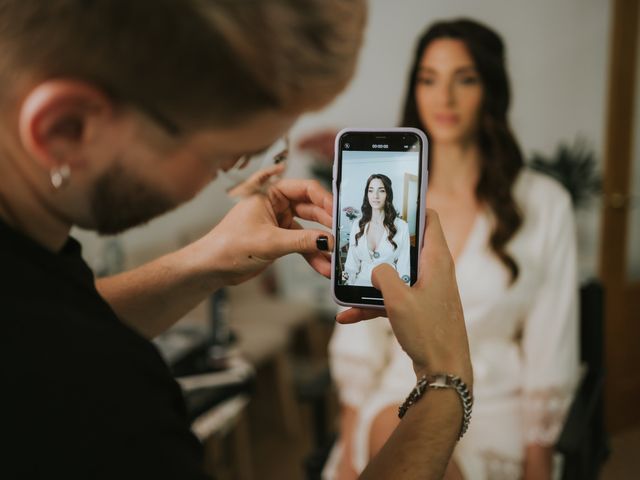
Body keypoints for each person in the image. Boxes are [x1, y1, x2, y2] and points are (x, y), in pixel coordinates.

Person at [0, 2, 473, 479]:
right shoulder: (107, 409)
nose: (234, 174)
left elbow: (70, 311)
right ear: (65, 128)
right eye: (225, 155)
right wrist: (444, 383)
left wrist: (205, 261)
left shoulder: (33, 263)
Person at [327, 19, 579, 480]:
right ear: (415, 89)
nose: (444, 97)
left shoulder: (544, 204)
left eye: (464, 79)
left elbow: (552, 340)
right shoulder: (388, 198)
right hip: (402, 388)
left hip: (498, 402)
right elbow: (358, 331)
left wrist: (540, 459)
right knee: (400, 441)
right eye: (429, 79)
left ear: (490, 90)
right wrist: (347, 444)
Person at [342, 174, 411, 286]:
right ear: (367, 194)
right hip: (359, 288)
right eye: (371, 190)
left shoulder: (402, 226)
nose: (375, 195)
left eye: (381, 190)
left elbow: (404, 266)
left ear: (388, 194)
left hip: (389, 289)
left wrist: (404, 293)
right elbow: (350, 265)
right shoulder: (357, 224)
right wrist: (347, 287)